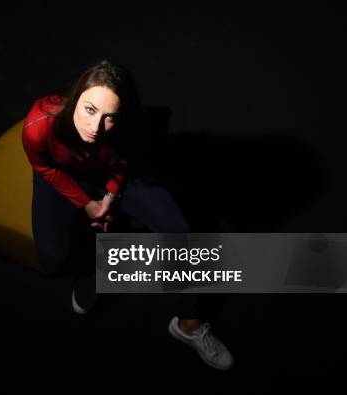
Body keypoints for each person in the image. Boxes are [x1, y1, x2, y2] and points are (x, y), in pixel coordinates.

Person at [21, 59, 234, 371]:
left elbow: (125, 160)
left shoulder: (130, 125)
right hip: (64, 172)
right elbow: (44, 167)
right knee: (53, 259)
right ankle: (98, 269)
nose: (95, 128)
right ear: (76, 97)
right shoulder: (38, 125)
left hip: (112, 173)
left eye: (110, 118)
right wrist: (86, 203)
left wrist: (109, 195)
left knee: (183, 235)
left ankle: (188, 326)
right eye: (90, 110)